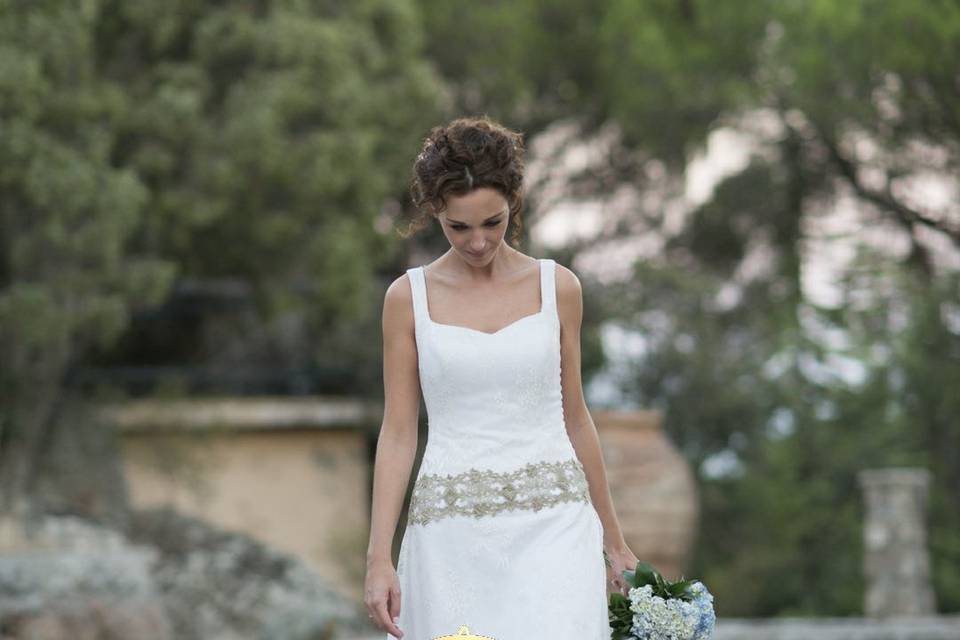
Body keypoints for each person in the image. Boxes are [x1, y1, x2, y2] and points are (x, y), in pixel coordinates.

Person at [364, 115, 639, 639]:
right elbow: (398, 432)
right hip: (450, 534)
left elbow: (575, 417)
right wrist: (380, 558)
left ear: (513, 201)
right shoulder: (407, 300)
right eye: (458, 227)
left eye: (492, 222)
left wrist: (614, 540)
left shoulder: (558, 288)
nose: (477, 242)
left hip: (556, 524)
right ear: (434, 215)